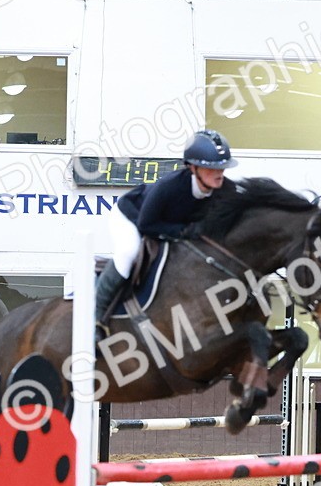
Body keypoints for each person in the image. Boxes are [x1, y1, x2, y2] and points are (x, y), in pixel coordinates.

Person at [94, 129, 238, 339]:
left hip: (168, 225)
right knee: (128, 252)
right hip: (132, 217)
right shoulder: (169, 187)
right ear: (193, 168)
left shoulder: (226, 191)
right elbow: (147, 224)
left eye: (223, 167)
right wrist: (184, 232)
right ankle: (95, 318)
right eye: (212, 167)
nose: (220, 173)